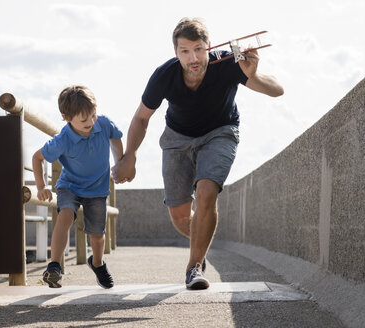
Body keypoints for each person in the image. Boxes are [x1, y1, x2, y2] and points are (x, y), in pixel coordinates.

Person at [112, 17, 283, 290]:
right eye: (185, 51)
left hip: (220, 132)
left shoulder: (228, 62)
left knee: (206, 193)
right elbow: (141, 118)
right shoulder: (164, 75)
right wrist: (130, 155)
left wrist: (253, 75)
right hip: (176, 139)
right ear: (176, 53)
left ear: (209, 46)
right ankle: (201, 244)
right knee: (181, 217)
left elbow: (277, 90)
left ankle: (193, 267)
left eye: (199, 49)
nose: (193, 58)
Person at [33, 85, 123, 289]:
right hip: (70, 186)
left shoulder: (104, 124)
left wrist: (120, 162)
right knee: (65, 215)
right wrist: (41, 186)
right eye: (84, 120)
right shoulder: (63, 139)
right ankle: (54, 266)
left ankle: (97, 263)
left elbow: (116, 138)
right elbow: (37, 157)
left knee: (97, 235)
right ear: (66, 118)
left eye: (93, 115)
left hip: (97, 189)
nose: (91, 122)